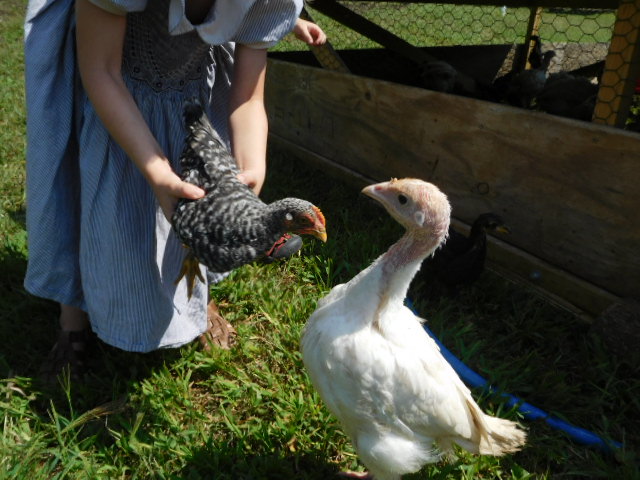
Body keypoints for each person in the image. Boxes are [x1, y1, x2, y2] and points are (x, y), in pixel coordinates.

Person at [23, 0, 327, 381]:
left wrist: (250, 166)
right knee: (91, 197)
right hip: (111, 78)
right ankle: (73, 319)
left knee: (202, 218)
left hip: (191, 91)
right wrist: (155, 170)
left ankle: (197, 301)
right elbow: (100, 71)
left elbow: (248, 98)